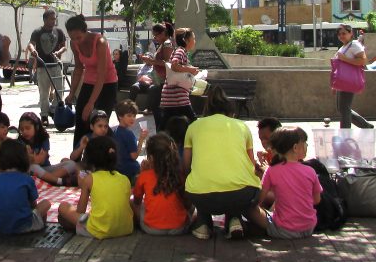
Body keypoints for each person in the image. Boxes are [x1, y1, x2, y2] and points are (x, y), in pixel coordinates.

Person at [183, 86, 261, 240]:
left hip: (200, 194)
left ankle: (203, 222)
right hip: (242, 194)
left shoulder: (193, 127)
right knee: (236, 186)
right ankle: (234, 218)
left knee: (197, 181)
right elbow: (251, 165)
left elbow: (186, 165)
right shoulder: (242, 127)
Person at [248, 127, 322, 239]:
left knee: (248, 207)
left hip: (284, 230)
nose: (307, 146)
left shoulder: (272, 170)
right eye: (305, 143)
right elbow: (317, 200)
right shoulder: (310, 171)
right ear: (295, 147)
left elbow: (259, 199)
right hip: (309, 228)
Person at [58, 136, 133, 239]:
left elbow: (80, 211)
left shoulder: (89, 179)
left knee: (63, 207)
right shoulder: (124, 178)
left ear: (90, 160)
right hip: (126, 228)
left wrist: (82, 185)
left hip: (99, 229)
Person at [64, 15, 118, 148]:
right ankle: (76, 159)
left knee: (100, 122)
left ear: (85, 31)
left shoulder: (100, 41)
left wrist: (91, 103)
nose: (77, 41)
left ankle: (104, 157)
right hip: (89, 82)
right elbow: (78, 68)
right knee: (81, 121)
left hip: (107, 83)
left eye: (79, 37)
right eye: (73, 38)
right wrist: (71, 93)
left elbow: (101, 75)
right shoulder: (74, 43)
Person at [0, 139, 51, 234]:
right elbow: (33, 204)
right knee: (46, 203)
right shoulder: (27, 179)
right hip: (24, 226)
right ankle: (41, 226)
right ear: (24, 159)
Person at [131, 133, 190, 235]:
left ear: (151, 157)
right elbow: (187, 202)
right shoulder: (180, 174)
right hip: (179, 228)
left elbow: (137, 200)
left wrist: (143, 173)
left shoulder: (145, 175)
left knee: (131, 202)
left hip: (151, 228)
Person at [27, 9, 67, 127]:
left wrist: (59, 52)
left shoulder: (59, 32)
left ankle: (53, 110)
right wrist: (33, 51)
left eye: (54, 19)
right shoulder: (37, 31)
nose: (53, 21)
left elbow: (64, 47)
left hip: (56, 64)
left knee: (60, 90)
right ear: (45, 19)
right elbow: (30, 44)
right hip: (42, 65)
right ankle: (44, 115)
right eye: (51, 19)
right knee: (44, 92)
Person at [17, 112, 77, 186]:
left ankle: (48, 179)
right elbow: (26, 164)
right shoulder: (20, 142)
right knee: (32, 167)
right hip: (32, 171)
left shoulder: (44, 138)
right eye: (22, 129)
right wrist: (32, 160)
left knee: (72, 164)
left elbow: (41, 160)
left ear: (36, 127)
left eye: (28, 128)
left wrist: (33, 159)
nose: (24, 132)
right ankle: (58, 181)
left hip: (46, 169)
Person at [333, 24, 373, 129]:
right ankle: (365, 125)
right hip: (342, 81)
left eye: (344, 33)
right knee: (341, 108)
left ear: (351, 33)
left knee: (344, 108)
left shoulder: (354, 45)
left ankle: (345, 132)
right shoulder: (344, 46)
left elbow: (363, 61)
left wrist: (344, 59)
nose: (341, 36)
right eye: (339, 34)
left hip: (348, 80)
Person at [160, 27, 198, 129]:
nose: (195, 41)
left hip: (170, 98)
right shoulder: (180, 51)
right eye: (193, 39)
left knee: (166, 126)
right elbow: (174, 65)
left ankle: (159, 142)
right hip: (178, 98)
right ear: (186, 40)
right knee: (194, 123)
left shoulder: (181, 51)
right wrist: (190, 70)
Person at [147, 22, 174, 129]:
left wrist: (152, 61)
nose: (155, 37)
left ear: (163, 33)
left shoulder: (167, 43)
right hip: (159, 80)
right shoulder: (164, 44)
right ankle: (161, 129)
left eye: (156, 35)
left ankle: (161, 129)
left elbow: (167, 63)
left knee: (157, 107)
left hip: (164, 81)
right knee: (156, 107)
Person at [113, 100, 148, 184]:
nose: (132, 118)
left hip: (116, 168)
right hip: (129, 169)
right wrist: (141, 140)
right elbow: (134, 156)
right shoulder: (129, 134)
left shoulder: (115, 131)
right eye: (129, 116)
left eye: (134, 116)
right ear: (120, 116)